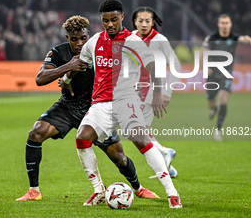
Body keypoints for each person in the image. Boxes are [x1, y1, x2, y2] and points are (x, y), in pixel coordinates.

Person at [16, 15, 160, 202]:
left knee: (119, 158)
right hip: (68, 107)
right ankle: (34, 191)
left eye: (83, 38)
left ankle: (138, 188)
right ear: (67, 38)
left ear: (88, 35)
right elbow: (40, 78)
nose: (79, 43)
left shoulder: (99, 50)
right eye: (74, 39)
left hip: (96, 110)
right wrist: (69, 66)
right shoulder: (58, 52)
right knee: (36, 133)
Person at [73, 0, 182, 208]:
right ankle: (98, 191)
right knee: (82, 139)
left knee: (140, 139)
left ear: (122, 17)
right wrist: (67, 79)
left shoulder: (133, 41)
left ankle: (171, 192)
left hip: (126, 101)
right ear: (102, 20)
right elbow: (81, 62)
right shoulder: (94, 41)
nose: (110, 24)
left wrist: (158, 93)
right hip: (100, 105)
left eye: (114, 19)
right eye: (106, 21)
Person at [131, 7, 181, 178]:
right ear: (135, 22)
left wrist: (167, 92)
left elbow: (176, 65)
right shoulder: (130, 37)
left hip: (151, 92)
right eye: (140, 20)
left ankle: (165, 156)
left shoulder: (160, 40)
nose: (144, 24)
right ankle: (166, 158)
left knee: (137, 133)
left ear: (153, 22)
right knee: (137, 133)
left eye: (147, 21)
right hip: (134, 91)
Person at [201, 14, 251, 141]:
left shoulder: (234, 37)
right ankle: (214, 107)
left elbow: (244, 38)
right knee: (211, 102)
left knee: (223, 100)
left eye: (227, 23)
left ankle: (217, 131)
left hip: (226, 73)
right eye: (222, 23)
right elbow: (203, 51)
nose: (224, 25)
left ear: (230, 24)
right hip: (212, 74)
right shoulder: (211, 37)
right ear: (218, 24)